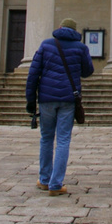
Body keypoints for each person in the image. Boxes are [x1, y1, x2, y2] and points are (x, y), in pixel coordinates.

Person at [25, 18, 94, 196]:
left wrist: (30, 99)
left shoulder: (46, 45)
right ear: (74, 30)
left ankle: (44, 179)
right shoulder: (80, 48)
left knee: (46, 138)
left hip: (46, 98)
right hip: (68, 98)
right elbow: (88, 71)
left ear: (60, 28)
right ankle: (56, 184)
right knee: (63, 140)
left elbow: (33, 74)